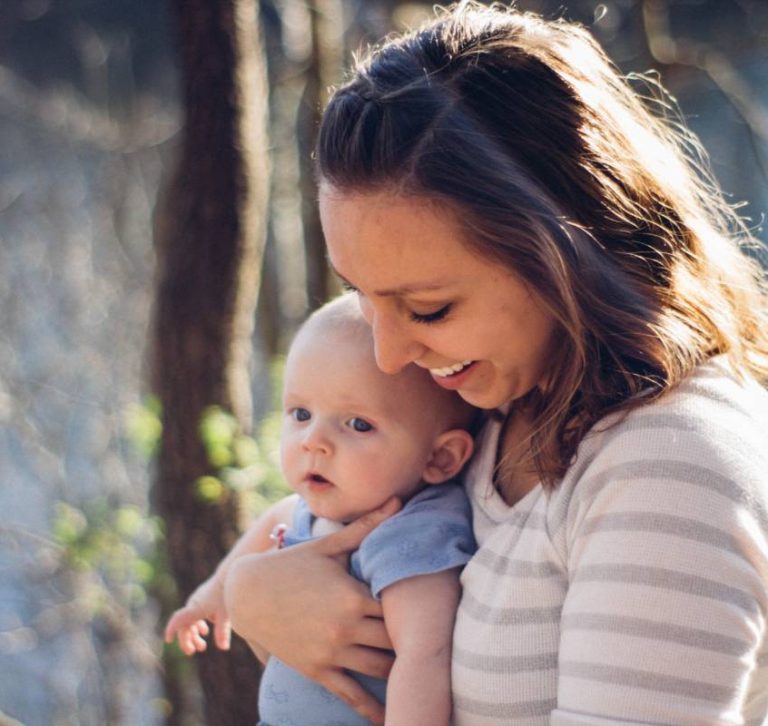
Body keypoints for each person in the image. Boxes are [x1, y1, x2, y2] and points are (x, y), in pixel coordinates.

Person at [222, 3, 768, 725]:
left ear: (568, 256)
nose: (389, 355)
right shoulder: (496, 402)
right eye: (361, 296)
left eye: (430, 309)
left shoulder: (668, 469)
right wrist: (255, 596)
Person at [165, 294, 478, 725]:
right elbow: (273, 518)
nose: (314, 440)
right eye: (301, 413)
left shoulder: (412, 534)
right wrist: (210, 597)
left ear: (440, 458)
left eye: (358, 424)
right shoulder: (314, 509)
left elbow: (425, 656)